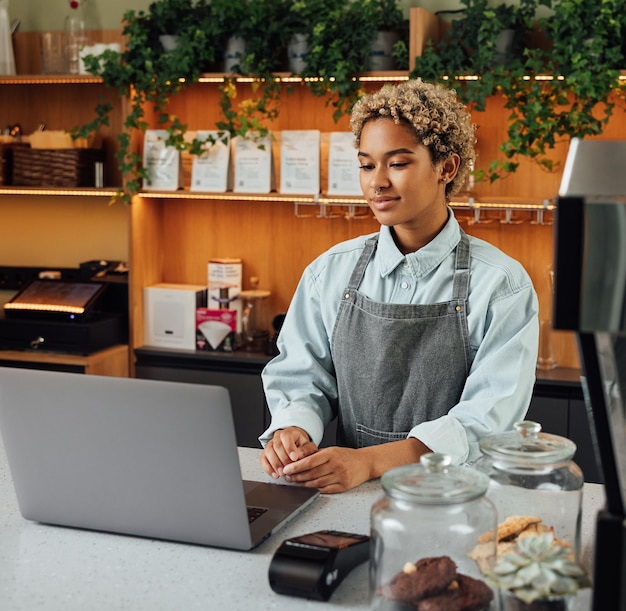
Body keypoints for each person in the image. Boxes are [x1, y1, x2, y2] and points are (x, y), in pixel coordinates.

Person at [259, 79, 539, 494]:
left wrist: (369, 462)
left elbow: (484, 421)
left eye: (398, 163)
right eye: (367, 165)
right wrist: (294, 427)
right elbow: (303, 377)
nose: (378, 182)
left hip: (459, 498)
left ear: (447, 167)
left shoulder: (501, 284)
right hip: (349, 490)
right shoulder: (329, 272)